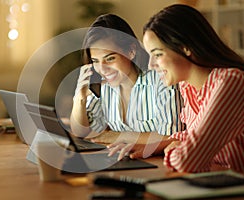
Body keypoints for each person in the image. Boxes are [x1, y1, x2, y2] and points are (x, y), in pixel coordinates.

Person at [108, 4, 244, 173]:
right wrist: (151, 146)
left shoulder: (230, 82)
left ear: (185, 47)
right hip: (213, 183)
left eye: (157, 54)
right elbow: (189, 136)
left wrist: (172, 149)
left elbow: (187, 161)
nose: (151, 65)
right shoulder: (188, 86)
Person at [70, 14, 184, 147]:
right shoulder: (105, 86)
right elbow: (81, 132)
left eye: (110, 58)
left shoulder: (161, 80)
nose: (102, 69)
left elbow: (172, 136)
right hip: (128, 160)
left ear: (131, 51)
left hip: (161, 163)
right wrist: (80, 98)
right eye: (96, 61)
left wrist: (120, 136)